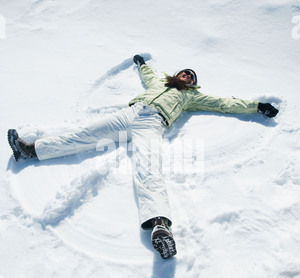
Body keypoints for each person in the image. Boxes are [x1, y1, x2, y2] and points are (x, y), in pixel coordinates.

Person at [7, 55, 279, 260]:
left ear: (193, 85)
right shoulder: (159, 82)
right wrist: (141, 64)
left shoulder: (191, 98)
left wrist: (256, 106)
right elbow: (148, 75)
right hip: (130, 113)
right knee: (84, 134)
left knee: (149, 167)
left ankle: (160, 225)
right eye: (184, 73)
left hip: (153, 124)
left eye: (191, 78)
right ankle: (31, 150)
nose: (186, 77)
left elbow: (223, 103)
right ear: (177, 74)